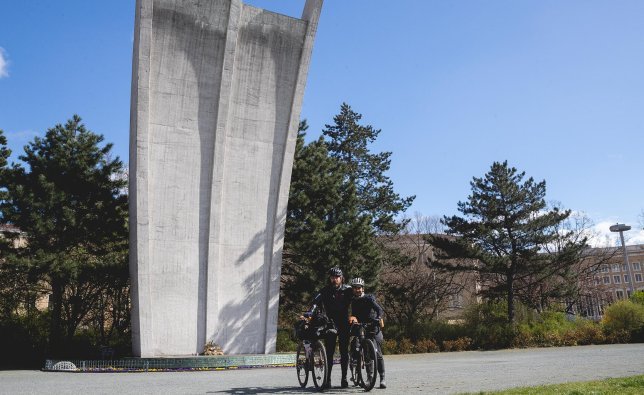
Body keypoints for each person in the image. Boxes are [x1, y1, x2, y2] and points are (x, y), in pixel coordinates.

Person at [306, 267, 353, 388]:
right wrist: (310, 312)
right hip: (330, 323)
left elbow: (357, 300)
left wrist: (357, 315)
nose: (334, 279)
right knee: (329, 352)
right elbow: (315, 302)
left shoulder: (348, 290)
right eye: (332, 277)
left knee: (344, 352)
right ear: (330, 278)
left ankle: (344, 379)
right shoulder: (325, 290)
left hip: (344, 323)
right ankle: (327, 380)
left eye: (337, 277)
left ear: (341, 278)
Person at [349, 277, 387, 389]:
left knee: (378, 353)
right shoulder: (352, 300)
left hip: (373, 326)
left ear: (363, 288)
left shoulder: (369, 298)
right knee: (366, 353)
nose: (357, 290)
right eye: (355, 288)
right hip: (361, 326)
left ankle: (382, 377)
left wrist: (379, 317)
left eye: (359, 288)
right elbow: (351, 313)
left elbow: (379, 309)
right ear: (353, 289)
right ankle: (370, 377)